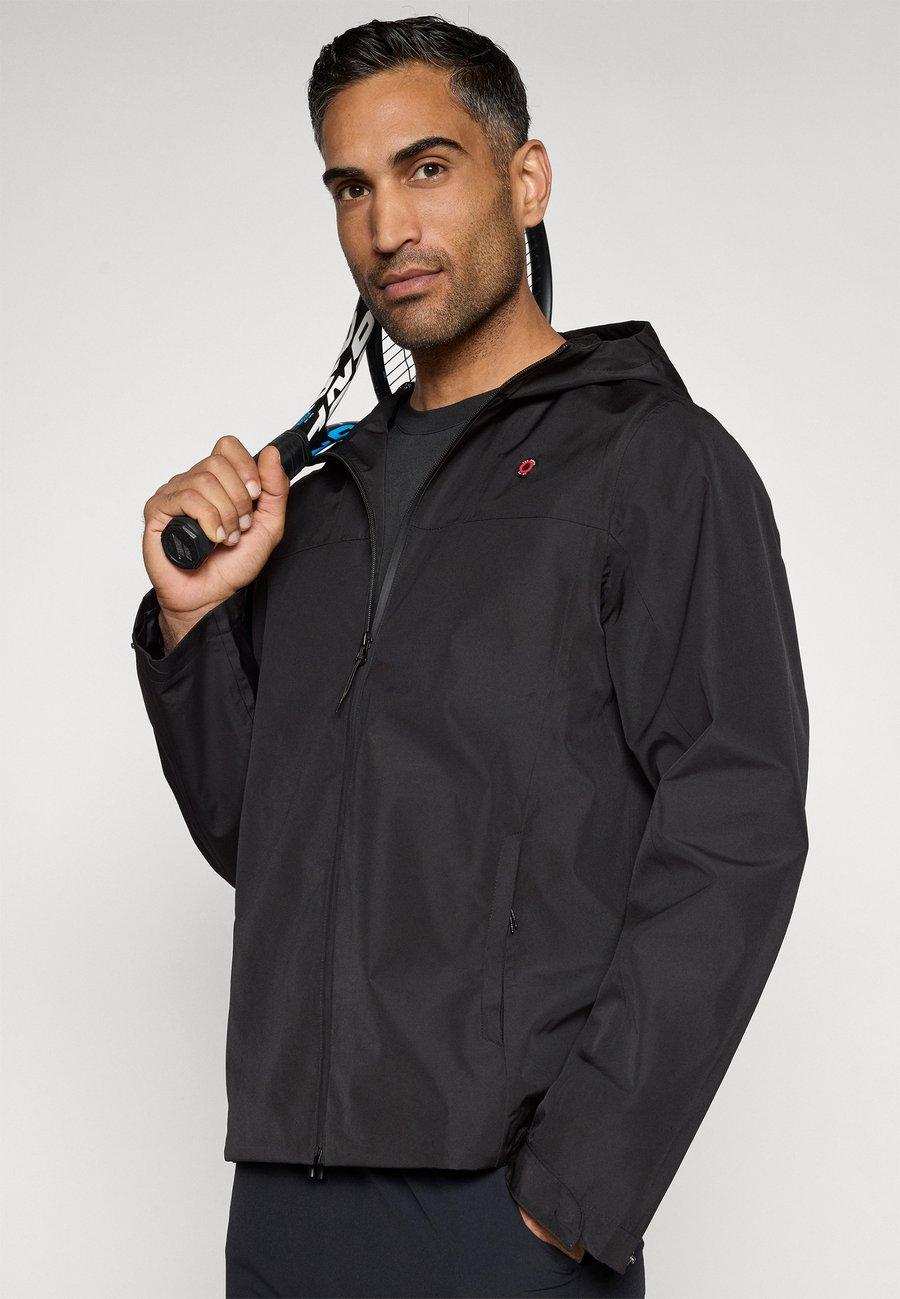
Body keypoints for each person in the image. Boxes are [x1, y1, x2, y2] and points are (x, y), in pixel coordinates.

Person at [131, 15, 809, 1298]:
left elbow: (738, 829)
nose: (388, 226)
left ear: (525, 178)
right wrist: (193, 621)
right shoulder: (317, 510)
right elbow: (262, 842)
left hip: (500, 1217)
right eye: (351, 187)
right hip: (281, 1203)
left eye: (427, 168)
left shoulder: (656, 466)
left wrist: (574, 1192)